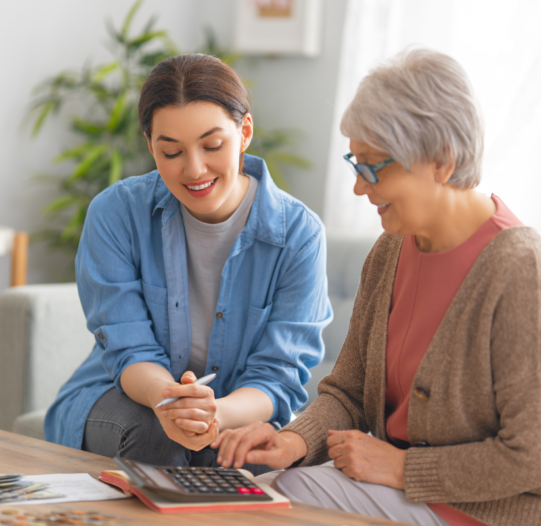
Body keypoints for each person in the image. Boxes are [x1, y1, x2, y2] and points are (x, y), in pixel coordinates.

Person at [212, 48, 541, 525]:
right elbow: (350, 393)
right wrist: (294, 440)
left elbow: (535, 456)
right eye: (354, 163)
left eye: (373, 166)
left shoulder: (523, 269)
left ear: (441, 161)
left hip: (515, 510)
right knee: (263, 495)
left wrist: (400, 466)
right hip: (407, 493)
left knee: (275, 508)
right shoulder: (390, 250)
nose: (360, 187)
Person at [44, 54, 332, 473]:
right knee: (157, 437)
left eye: (212, 146)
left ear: (245, 132)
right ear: (150, 146)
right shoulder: (115, 214)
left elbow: (279, 374)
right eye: (172, 151)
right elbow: (129, 349)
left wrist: (215, 413)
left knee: (242, 456)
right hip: (126, 398)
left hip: (236, 408)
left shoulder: (299, 234)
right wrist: (171, 402)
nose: (194, 169)